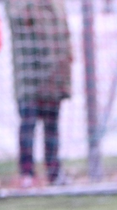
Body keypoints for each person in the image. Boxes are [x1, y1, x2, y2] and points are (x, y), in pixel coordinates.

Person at [10, 0, 72, 188]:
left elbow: (64, 36)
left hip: (54, 77)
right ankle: (27, 173)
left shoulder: (57, 5)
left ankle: (54, 172)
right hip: (29, 78)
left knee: (52, 127)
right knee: (28, 124)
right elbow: (18, 18)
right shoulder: (19, 5)